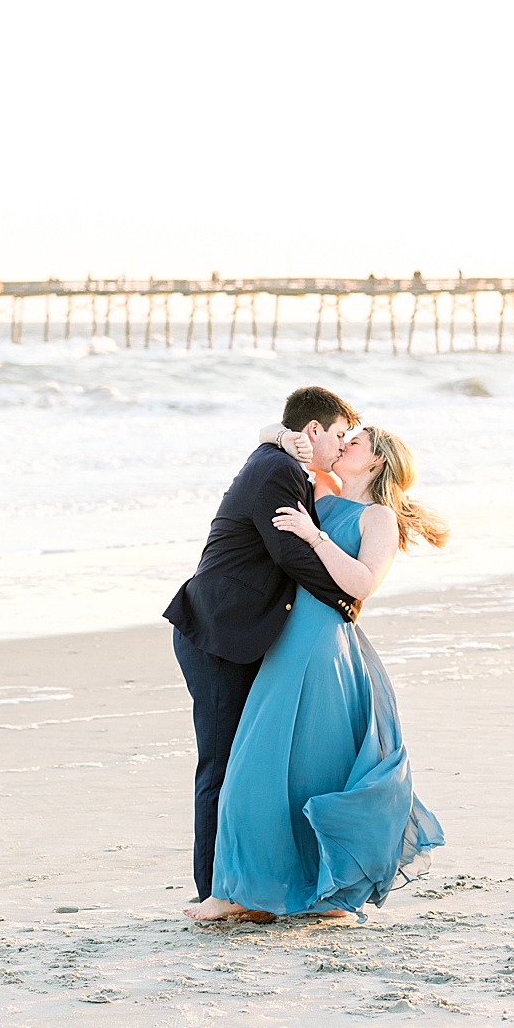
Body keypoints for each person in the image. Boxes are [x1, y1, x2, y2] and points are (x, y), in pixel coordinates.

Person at [183, 423, 448, 921]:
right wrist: (282, 438)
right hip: (284, 641)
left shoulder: (379, 518)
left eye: (358, 441)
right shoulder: (318, 494)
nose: (346, 442)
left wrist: (314, 536)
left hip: (323, 644)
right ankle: (250, 893)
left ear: (376, 461)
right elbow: (268, 433)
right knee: (258, 772)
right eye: (346, 436)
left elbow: (362, 583)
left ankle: (317, 892)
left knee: (299, 771)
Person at [163, 386, 363, 917]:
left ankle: (248, 886)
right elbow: (292, 556)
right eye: (339, 435)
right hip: (217, 634)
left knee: (252, 765)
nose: (342, 446)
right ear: (313, 431)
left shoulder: (282, 462)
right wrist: (349, 599)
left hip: (248, 634)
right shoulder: (276, 469)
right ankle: (214, 892)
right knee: (223, 765)